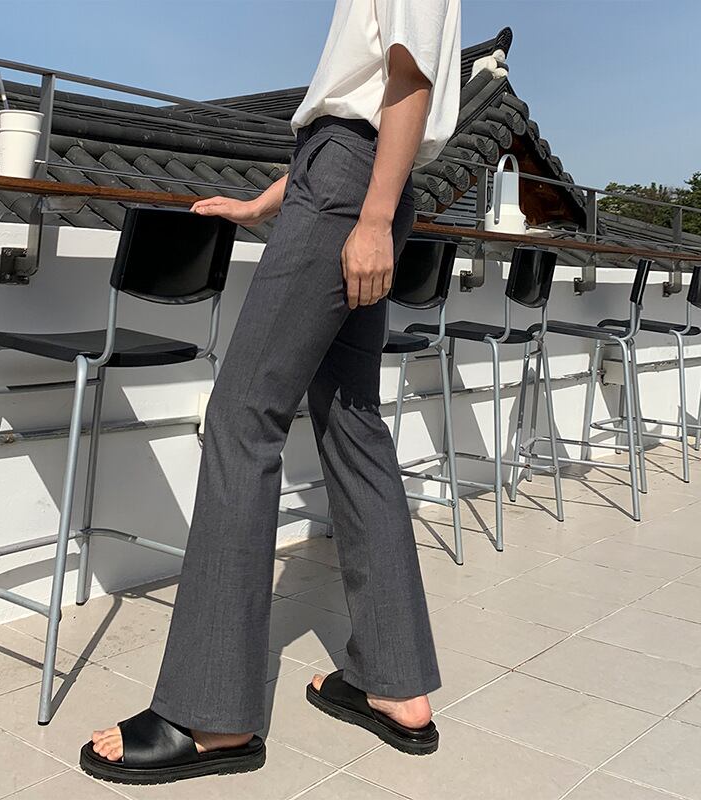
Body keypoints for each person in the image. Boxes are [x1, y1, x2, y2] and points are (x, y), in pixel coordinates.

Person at [81, 0, 462, 785]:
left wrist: (371, 217)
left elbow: (406, 84)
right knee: (352, 422)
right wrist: (264, 202)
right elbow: (360, 104)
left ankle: (210, 714)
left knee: (241, 417)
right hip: (353, 179)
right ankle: (395, 684)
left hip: (356, 188)